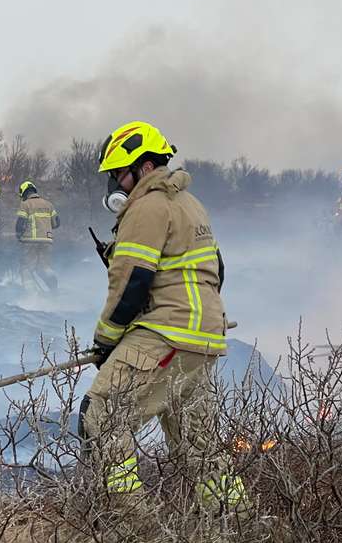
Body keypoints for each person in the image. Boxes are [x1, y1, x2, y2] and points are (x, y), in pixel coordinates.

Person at [81, 120, 242, 511]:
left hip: (167, 335)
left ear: (146, 166)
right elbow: (215, 271)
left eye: (120, 174)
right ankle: (235, 526)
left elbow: (132, 282)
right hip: (201, 339)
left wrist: (105, 341)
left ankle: (132, 526)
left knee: (102, 416)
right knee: (197, 442)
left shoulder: (147, 207)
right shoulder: (190, 203)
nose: (117, 185)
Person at [15, 180, 58, 291]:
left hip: (30, 241)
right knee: (44, 267)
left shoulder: (25, 204)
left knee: (27, 269)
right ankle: (54, 289)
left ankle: (31, 295)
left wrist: (19, 236)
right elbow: (56, 223)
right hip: (47, 241)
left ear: (24, 193)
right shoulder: (49, 204)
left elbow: (20, 223)